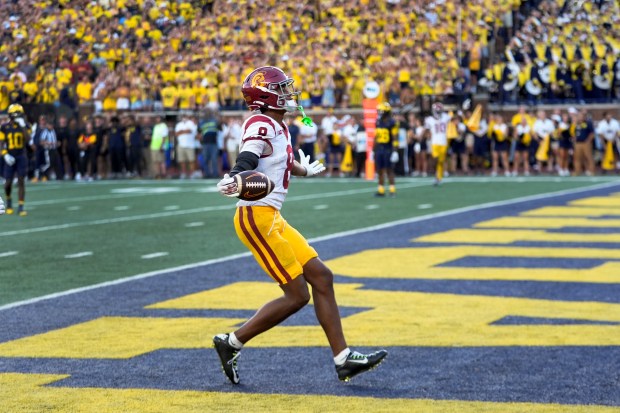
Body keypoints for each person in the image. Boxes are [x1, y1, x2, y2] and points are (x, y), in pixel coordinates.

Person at [214, 66, 387, 384]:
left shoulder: (278, 124)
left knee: (322, 276)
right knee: (297, 296)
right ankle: (231, 342)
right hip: (256, 217)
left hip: (272, 216)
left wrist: (300, 170)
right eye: (281, 88)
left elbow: (276, 160)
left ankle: (343, 358)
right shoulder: (261, 122)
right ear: (265, 96)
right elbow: (250, 157)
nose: (288, 94)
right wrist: (237, 176)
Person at [1, 104, 31, 216]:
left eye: (20, 114)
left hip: (21, 156)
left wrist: (23, 126)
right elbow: (1, 143)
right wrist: (5, 155)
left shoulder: (25, 125)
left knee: (21, 181)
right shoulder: (4, 127)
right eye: (16, 114)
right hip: (9, 155)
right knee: (8, 182)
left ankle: (21, 206)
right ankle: (8, 201)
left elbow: (28, 140)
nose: (18, 116)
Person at [373, 102, 399, 196]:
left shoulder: (392, 123)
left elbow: (395, 137)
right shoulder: (378, 122)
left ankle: (392, 190)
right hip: (379, 149)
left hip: (388, 149)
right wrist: (373, 150)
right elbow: (376, 137)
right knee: (379, 170)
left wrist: (395, 151)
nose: (379, 112)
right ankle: (381, 190)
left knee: (389, 170)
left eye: (381, 111)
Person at [425, 102, 451, 185]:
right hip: (435, 142)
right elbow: (427, 130)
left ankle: (438, 177)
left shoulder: (446, 117)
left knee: (441, 161)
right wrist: (427, 136)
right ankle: (436, 175)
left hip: (443, 142)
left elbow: (453, 120)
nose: (438, 113)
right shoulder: (429, 119)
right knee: (435, 159)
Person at [175, 112, 198, 179]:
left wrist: (181, 131)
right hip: (181, 145)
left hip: (190, 145)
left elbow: (190, 131)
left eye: (185, 116)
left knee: (191, 160)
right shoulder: (179, 124)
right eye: (183, 116)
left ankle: (192, 173)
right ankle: (183, 173)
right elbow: (176, 133)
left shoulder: (191, 123)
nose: (184, 118)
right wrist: (184, 131)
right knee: (182, 160)